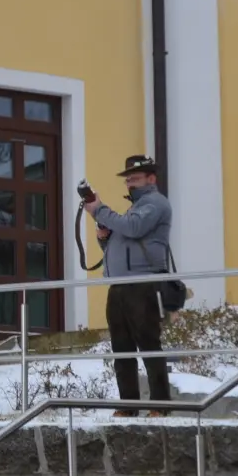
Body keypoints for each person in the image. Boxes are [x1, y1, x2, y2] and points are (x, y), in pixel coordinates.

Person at [85, 155, 174, 417]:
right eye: (128, 180)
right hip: (121, 285)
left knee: (148, 344)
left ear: (151, 178)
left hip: (143, 284)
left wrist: (100, 210)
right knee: (121, 347)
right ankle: (128, 404)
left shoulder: (155, 204)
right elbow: (120, 242)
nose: (130, 184)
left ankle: (161, 404)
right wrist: (104, 237)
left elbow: (134, 229)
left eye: (134, 178)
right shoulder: (134, 209)